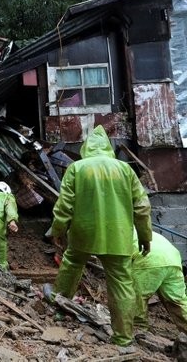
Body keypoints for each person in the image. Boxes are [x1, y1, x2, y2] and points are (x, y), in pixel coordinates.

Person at [47, 125, 152, 349]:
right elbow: (142, 207)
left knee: (72, 264)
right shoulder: (125, 170)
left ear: (86, 148)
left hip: (83, 233)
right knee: (121, 284)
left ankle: (57, 311)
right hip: (119, 237)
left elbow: (64, 205)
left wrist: (58, 231)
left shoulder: (77, 168)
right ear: (108, 148)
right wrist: (145, 237)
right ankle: (123, 339)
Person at [132, 231, 187, 334]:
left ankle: (138, 328)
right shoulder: (141, 229)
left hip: (149, 259)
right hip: (173, 260)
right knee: (178, 302)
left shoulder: (120, 231)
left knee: (138, 296)